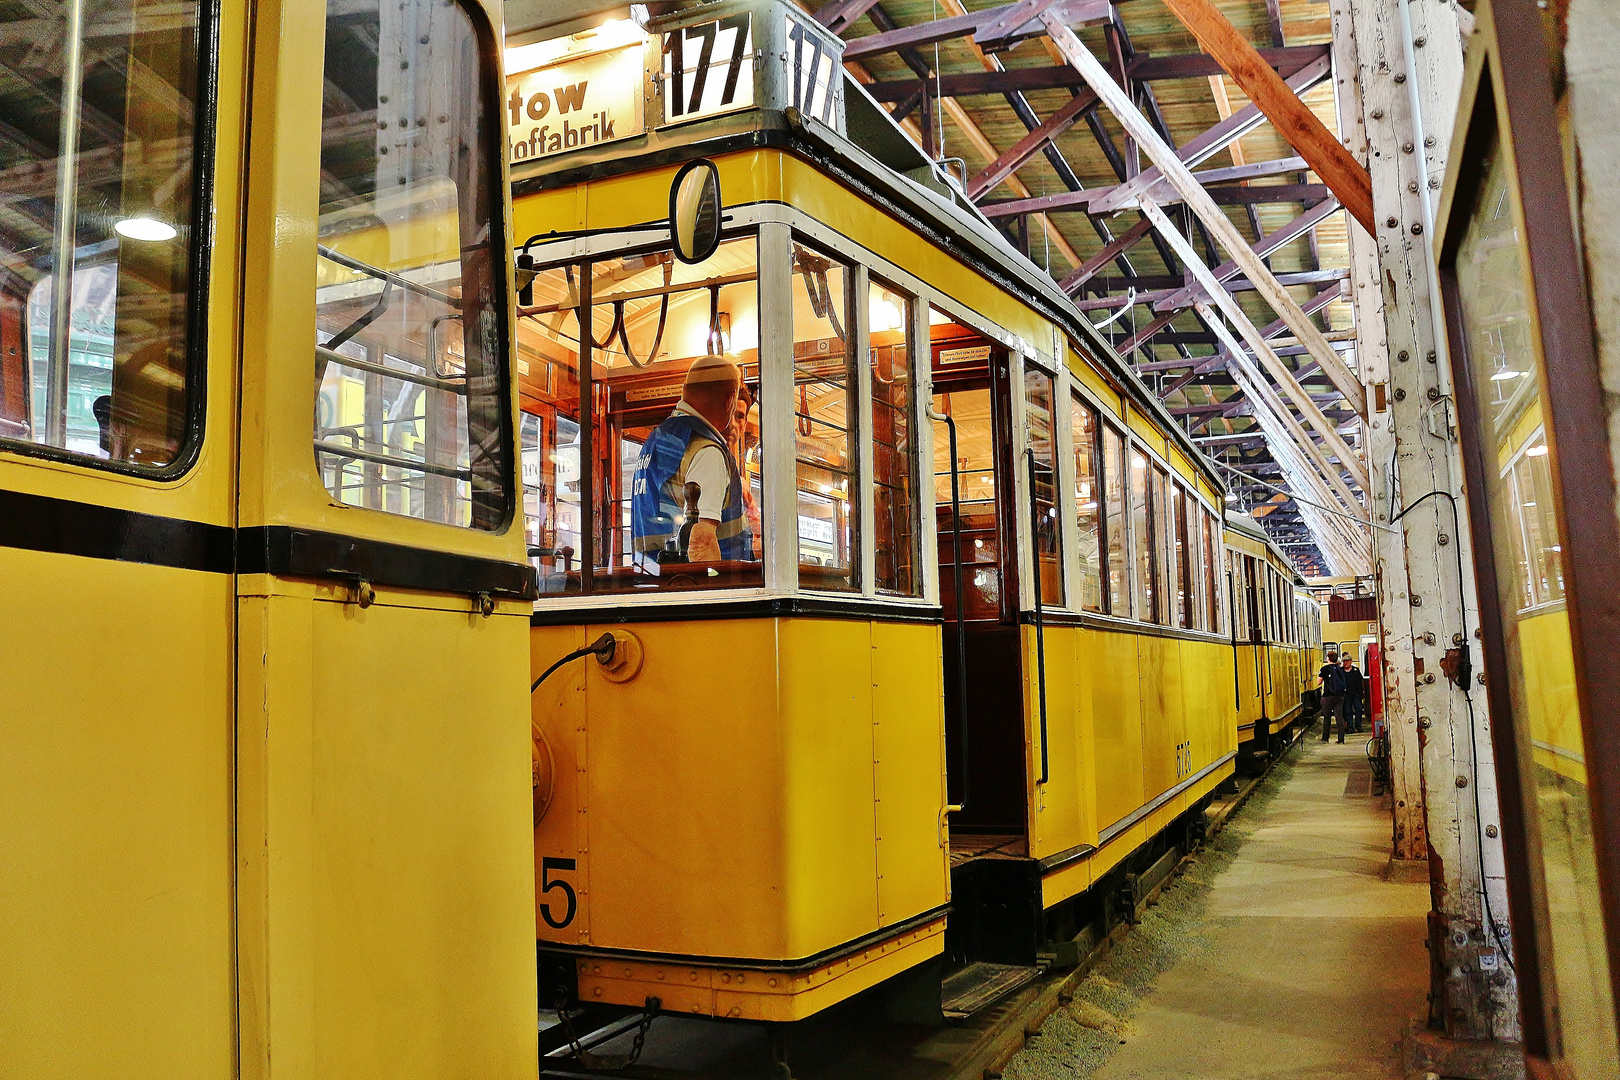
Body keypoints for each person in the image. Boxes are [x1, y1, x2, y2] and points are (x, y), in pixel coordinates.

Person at [630, 355, 753, 567]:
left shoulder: (656, 440)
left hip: (657, 581)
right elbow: (701, 544)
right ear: (730, 398)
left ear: (684, 390)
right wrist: (717, 588)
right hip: (700, 589)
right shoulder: (707, 450)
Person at [1319, 651, 1347, 743]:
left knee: (1327, 717)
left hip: (1327, 696)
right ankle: (1341, 738)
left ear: (1328, 658)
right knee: (1339, 717)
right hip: (1339, 696)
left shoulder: (1324, 669)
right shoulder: (1339, 668)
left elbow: (1318, 682)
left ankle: (1325, 738)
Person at [1342, 654, 1366, 735]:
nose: (1345, 663)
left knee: (1358, 709)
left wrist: (1362, 692)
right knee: (1348, 711)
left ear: (1351, 661)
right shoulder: (1341, 671)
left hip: (1356, 694)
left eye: (1347, 661)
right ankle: (1350, 727)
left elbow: (1361, 681)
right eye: (1344, 661)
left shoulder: (1356, 671)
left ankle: (1358, 725)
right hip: (1346, 694)